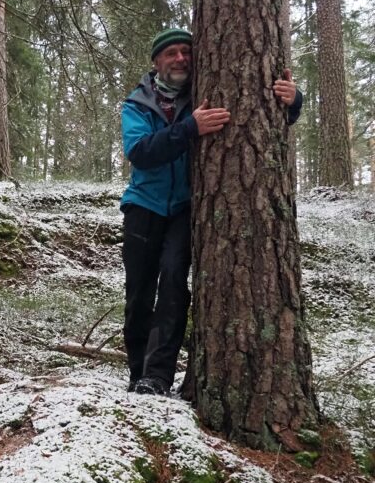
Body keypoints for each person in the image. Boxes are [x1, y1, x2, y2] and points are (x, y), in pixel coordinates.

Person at [121, 27, 303, 397]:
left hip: (186, 210)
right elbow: (140, 153)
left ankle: (157, 377)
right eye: (170, 53)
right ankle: (137, 371)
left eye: (185, 52)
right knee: (139, 293)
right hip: (143, 206)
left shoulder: (209, 91)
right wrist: (189, 128)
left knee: (173, 281)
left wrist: (294, 100)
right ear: (156, 62)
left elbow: (256, 115)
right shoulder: (136, 104)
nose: (180, 59)